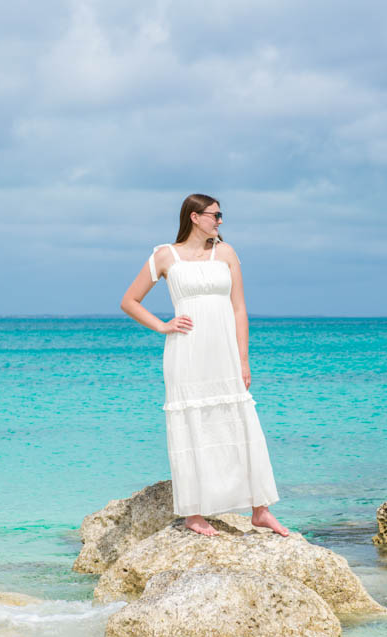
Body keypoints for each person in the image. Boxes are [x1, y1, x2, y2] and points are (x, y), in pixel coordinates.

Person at [120, 194, 289, 538]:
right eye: (216, 215)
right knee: (191, 426)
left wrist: (243, 359)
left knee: (240, 423)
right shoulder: (165, 255)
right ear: (195, 217)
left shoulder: (225, 253)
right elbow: (129, 301)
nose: (221, 221)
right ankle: (194, 514)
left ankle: (260, 510)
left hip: (224, 352)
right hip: (186, 353)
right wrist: (163, 325)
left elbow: (239, 309)